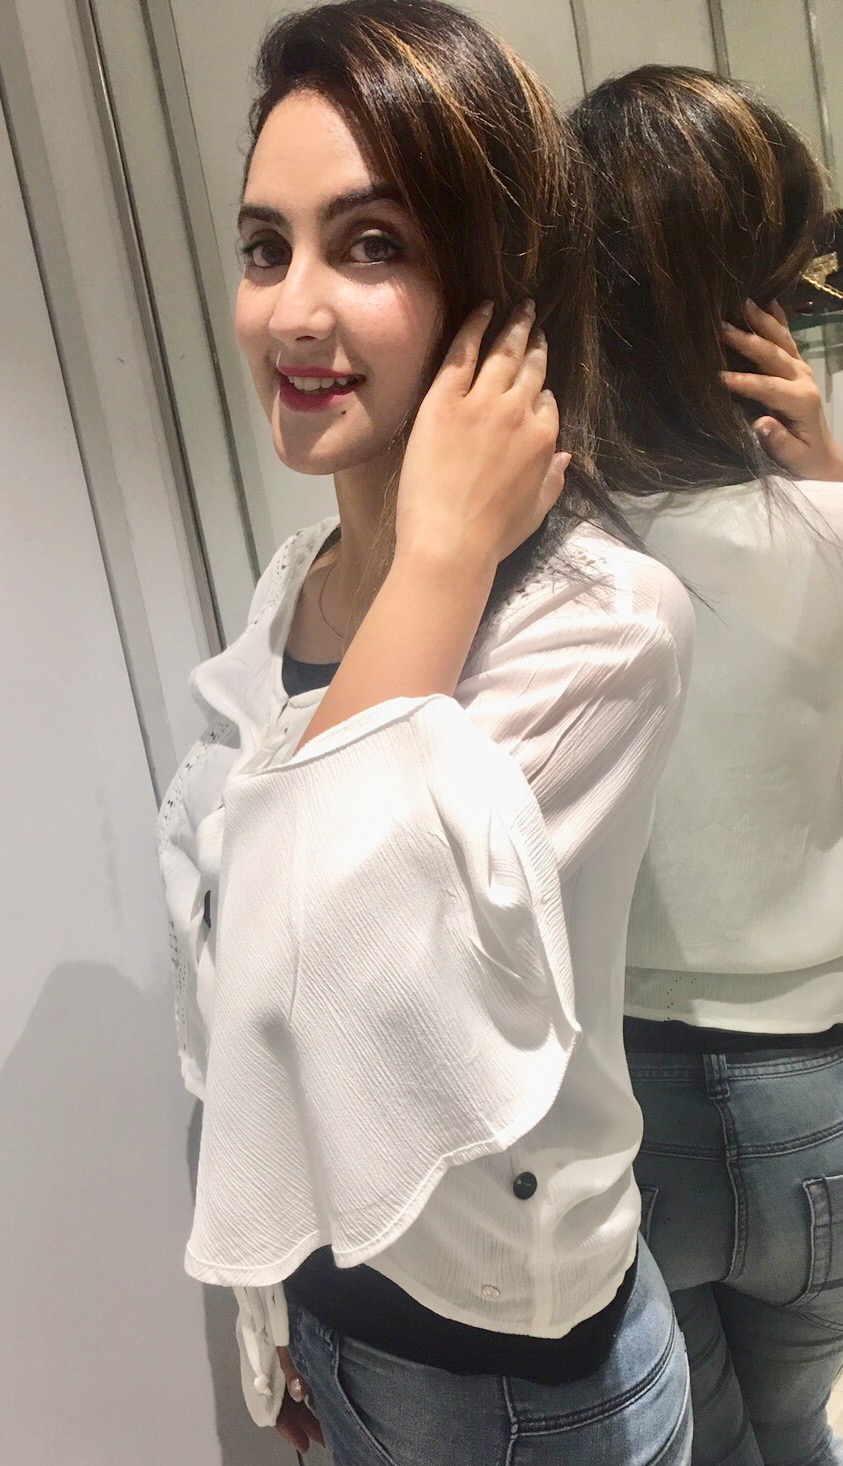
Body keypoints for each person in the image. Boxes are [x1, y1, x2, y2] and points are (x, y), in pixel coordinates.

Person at [157, 5, 695, 1463]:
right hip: (344, 1329)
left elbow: (316, 967)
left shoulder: (598, 626)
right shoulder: (297, 590)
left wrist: (446, 557)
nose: (292, 311)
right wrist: (276, 1307)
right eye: (266, 247)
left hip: (514, 1381)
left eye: (371, 244)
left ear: (497, 289)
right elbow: (239, 1009)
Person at [570, 65, 843, 1466]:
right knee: (801, 1423)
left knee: (708, 1446)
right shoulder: (831, 528)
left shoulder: (546, 571)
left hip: (630, 1101)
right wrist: (827, 476)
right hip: (822, 1094)